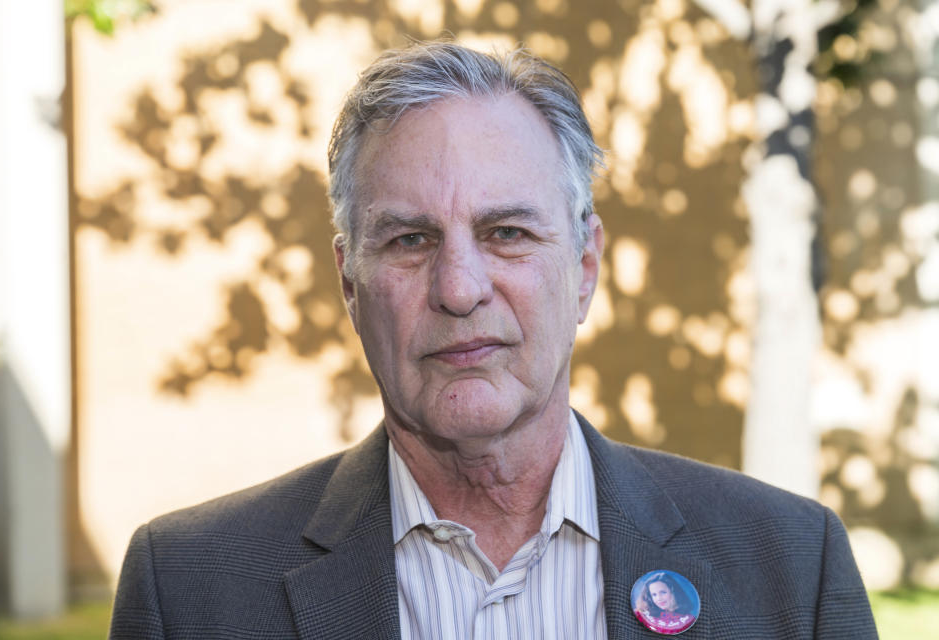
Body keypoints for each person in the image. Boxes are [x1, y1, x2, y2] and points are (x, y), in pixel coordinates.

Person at [109, 41, 878, 639]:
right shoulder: (191, 591)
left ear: (584, 266)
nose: (459, 287)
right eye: (410, 240)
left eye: (506, 232)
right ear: (350, 281)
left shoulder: (788, 568)